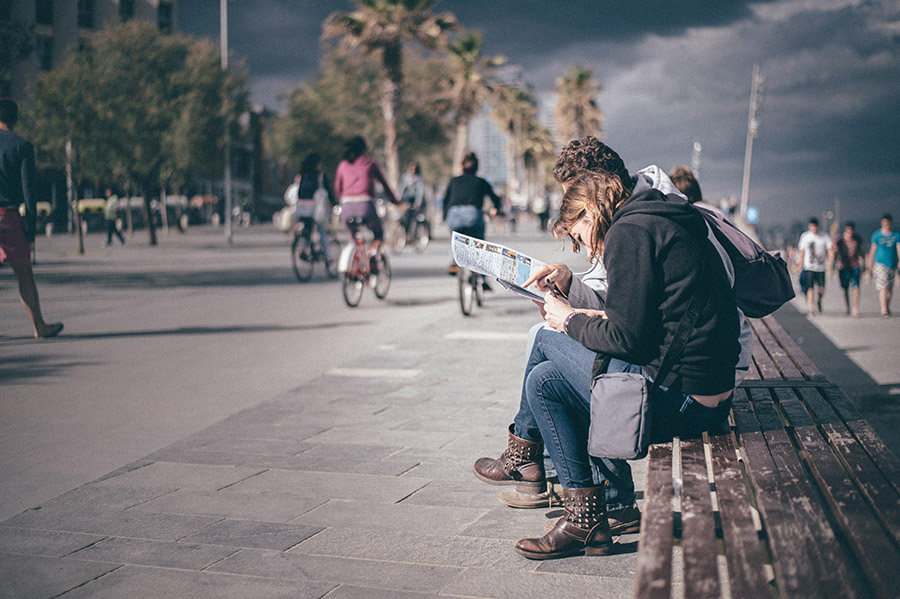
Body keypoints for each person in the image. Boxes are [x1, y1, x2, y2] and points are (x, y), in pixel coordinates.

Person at [480, 169, 740, 560]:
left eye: (579, 236)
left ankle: (529, 458)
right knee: (544, 381)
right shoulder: (659, 217)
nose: (585, 250)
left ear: (589, 212)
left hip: (684, 400)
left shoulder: (628, 232)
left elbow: (628, 340)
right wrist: (581, 313)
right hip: (706, 391)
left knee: (548, 340)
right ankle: (583, 515)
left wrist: (568, 319)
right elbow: (643, 322)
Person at [0, 98, 63, 338]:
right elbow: (29, 191)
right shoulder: (22, 146)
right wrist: (31, 225)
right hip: (7, 216)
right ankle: (39, 326)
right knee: (24, 275)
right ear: (15, 119)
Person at [334, 136, 397, 255]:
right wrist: (395, 201)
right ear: (364, 150)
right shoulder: (370, 164)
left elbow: (338, 187)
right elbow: (385, 186)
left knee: (353, 238)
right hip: (366, 207)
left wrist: (343, 199)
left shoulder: (342, 165)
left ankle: (352, 258)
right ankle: (373, 256)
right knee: (379, 234)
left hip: (346, 208)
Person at [442, 152, 503, 276]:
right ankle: (482, 278)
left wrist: (445, 217)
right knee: (479, 246)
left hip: (454, 215)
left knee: (455, 240)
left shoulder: (454, 181)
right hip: (473, 215)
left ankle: (454, 260)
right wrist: (496, 209)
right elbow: (495, 198)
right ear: (477, 168)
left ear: (461, 167)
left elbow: (446, 200)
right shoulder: (481, 181)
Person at [294, 153, 338, 264]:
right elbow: (329, 192)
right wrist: (335, 204)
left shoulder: (303, 175)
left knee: (307, 229)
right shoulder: (320, 176)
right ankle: (327, 257)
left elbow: (299, 192)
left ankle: (304, 248)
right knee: (322, 231)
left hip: (301, 208)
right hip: (314, 209)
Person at [797, 217, 833, 314]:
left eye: (815, 226)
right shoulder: (805, 236)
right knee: (810, 287)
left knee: (822, 289)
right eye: (812, 226)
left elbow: (830, 249)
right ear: (810, 226)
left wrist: (831, 261)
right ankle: (811, 309)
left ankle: (819, 301)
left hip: (821, 267)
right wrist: (800, 265)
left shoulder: (824, 236)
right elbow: (802, 252)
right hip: (809, 267)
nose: (814, 228)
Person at [867, 213, 900, 318]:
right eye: (884, 223)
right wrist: (870, 265)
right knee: (883, 286)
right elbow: (872, 251)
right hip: (880, 264)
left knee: (890, 289)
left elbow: (899, 249)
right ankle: (883, 309)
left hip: (892, 264)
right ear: (882, 223)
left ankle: (887, 305)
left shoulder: (896, 235)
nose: (886, 225)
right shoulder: (877, 235)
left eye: (888, 223)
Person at [834, 221, 864, 316]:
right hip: (844, 267)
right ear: (846, 230)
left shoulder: (857, 239)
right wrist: (836, 261)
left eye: (851, 230)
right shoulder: (840, 240)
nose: (850, 232)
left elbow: (862, 251)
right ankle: (848, 307)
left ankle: (855, 308)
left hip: (855, 265)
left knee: (856, 286)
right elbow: (835, 251)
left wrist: (864, 262)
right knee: (845, 288)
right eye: (848, 230)